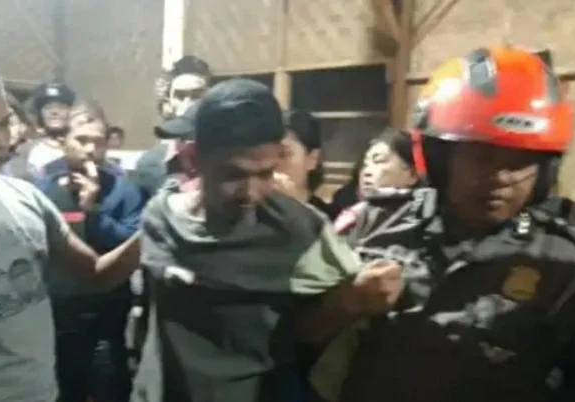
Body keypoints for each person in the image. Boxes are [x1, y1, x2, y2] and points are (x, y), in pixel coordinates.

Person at [311, 46, 575, 402]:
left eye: (521, 162)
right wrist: (345, 302)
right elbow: (293, 338)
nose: (502, 178)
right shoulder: (371, 222)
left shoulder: (568, 267)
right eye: (482, 157)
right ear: (440, 157)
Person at [130, 78, 403, 402]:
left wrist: (353, 298)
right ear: (193, 159)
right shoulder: (160, 217)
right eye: (233, 174)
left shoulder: (299, 230)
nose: (250, 193)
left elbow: (321, 327)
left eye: (264, 174)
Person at [0, 70, 140, 402]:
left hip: (40, 390)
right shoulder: (45, 186)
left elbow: (96, 273)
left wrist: (157, 225)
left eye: (3, 125)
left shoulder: (25, 198)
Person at [35, 101, 144, 402]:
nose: (89, 149)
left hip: (106, 317)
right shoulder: (42, 190)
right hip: (58, 318)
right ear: (64, 140)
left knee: (110, 386)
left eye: (98, 141)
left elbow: (131, 243)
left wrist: (92, 209)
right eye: (81, 140)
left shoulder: (124, 190)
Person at [133, 55, 211, 198]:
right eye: (180, 96)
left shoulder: (228, 157)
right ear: (168, 103)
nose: (188, 104)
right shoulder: (150, 164)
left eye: (197, 96)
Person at [334, 128, 423, 234]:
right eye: (365, 164)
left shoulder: (426, 221)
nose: (367, 172)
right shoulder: (352, 218)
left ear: (412, 174)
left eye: (379, 161)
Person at [2, 82, 77, 180]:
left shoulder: (81, 146)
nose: (54, 112)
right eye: (48, 108)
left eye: (61, 107)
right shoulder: (26, 150)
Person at [277, 109, 334, 218]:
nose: (272, 163)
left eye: (283, 154)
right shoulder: (252, 216)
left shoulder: (331, 219)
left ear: (312, 158)